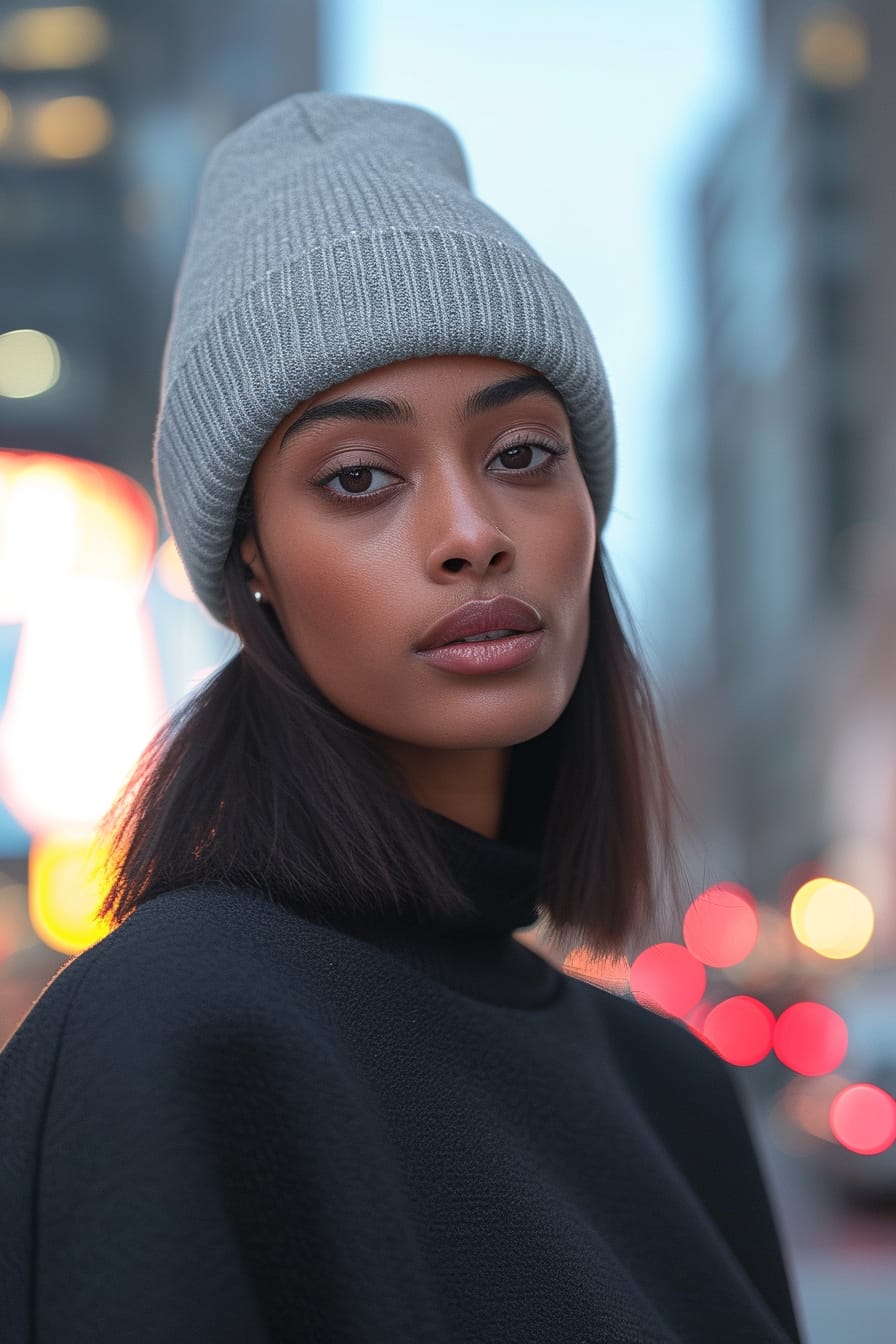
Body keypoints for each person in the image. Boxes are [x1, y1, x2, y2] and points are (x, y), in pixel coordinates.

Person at [0, 92, 804, 1343]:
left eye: (523, 454)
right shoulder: (173, 1037)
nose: (472, 534)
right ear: (251, 559)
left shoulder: (676, 1097)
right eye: (359, 478)